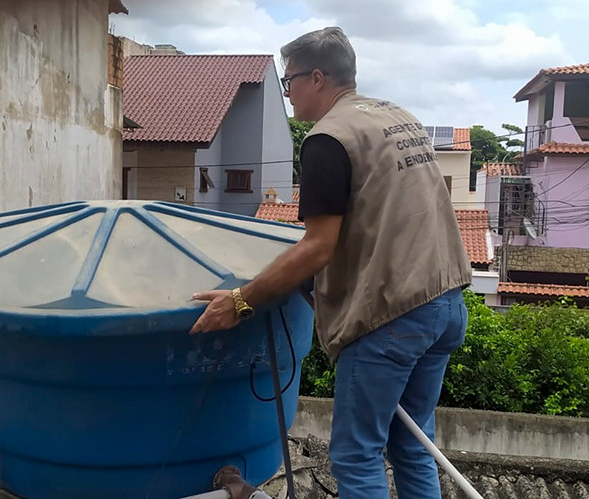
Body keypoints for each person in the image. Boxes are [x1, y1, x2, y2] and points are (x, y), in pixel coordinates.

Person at [190, 26, 471, 498]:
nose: (288, 94)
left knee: (356, 456)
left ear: (317, 78)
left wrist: (241, 300)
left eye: (289, 82)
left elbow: (318, 246)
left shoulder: (327, 138)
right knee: (413, 445)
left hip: (392, 317)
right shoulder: (398, 117)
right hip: (444, 305)